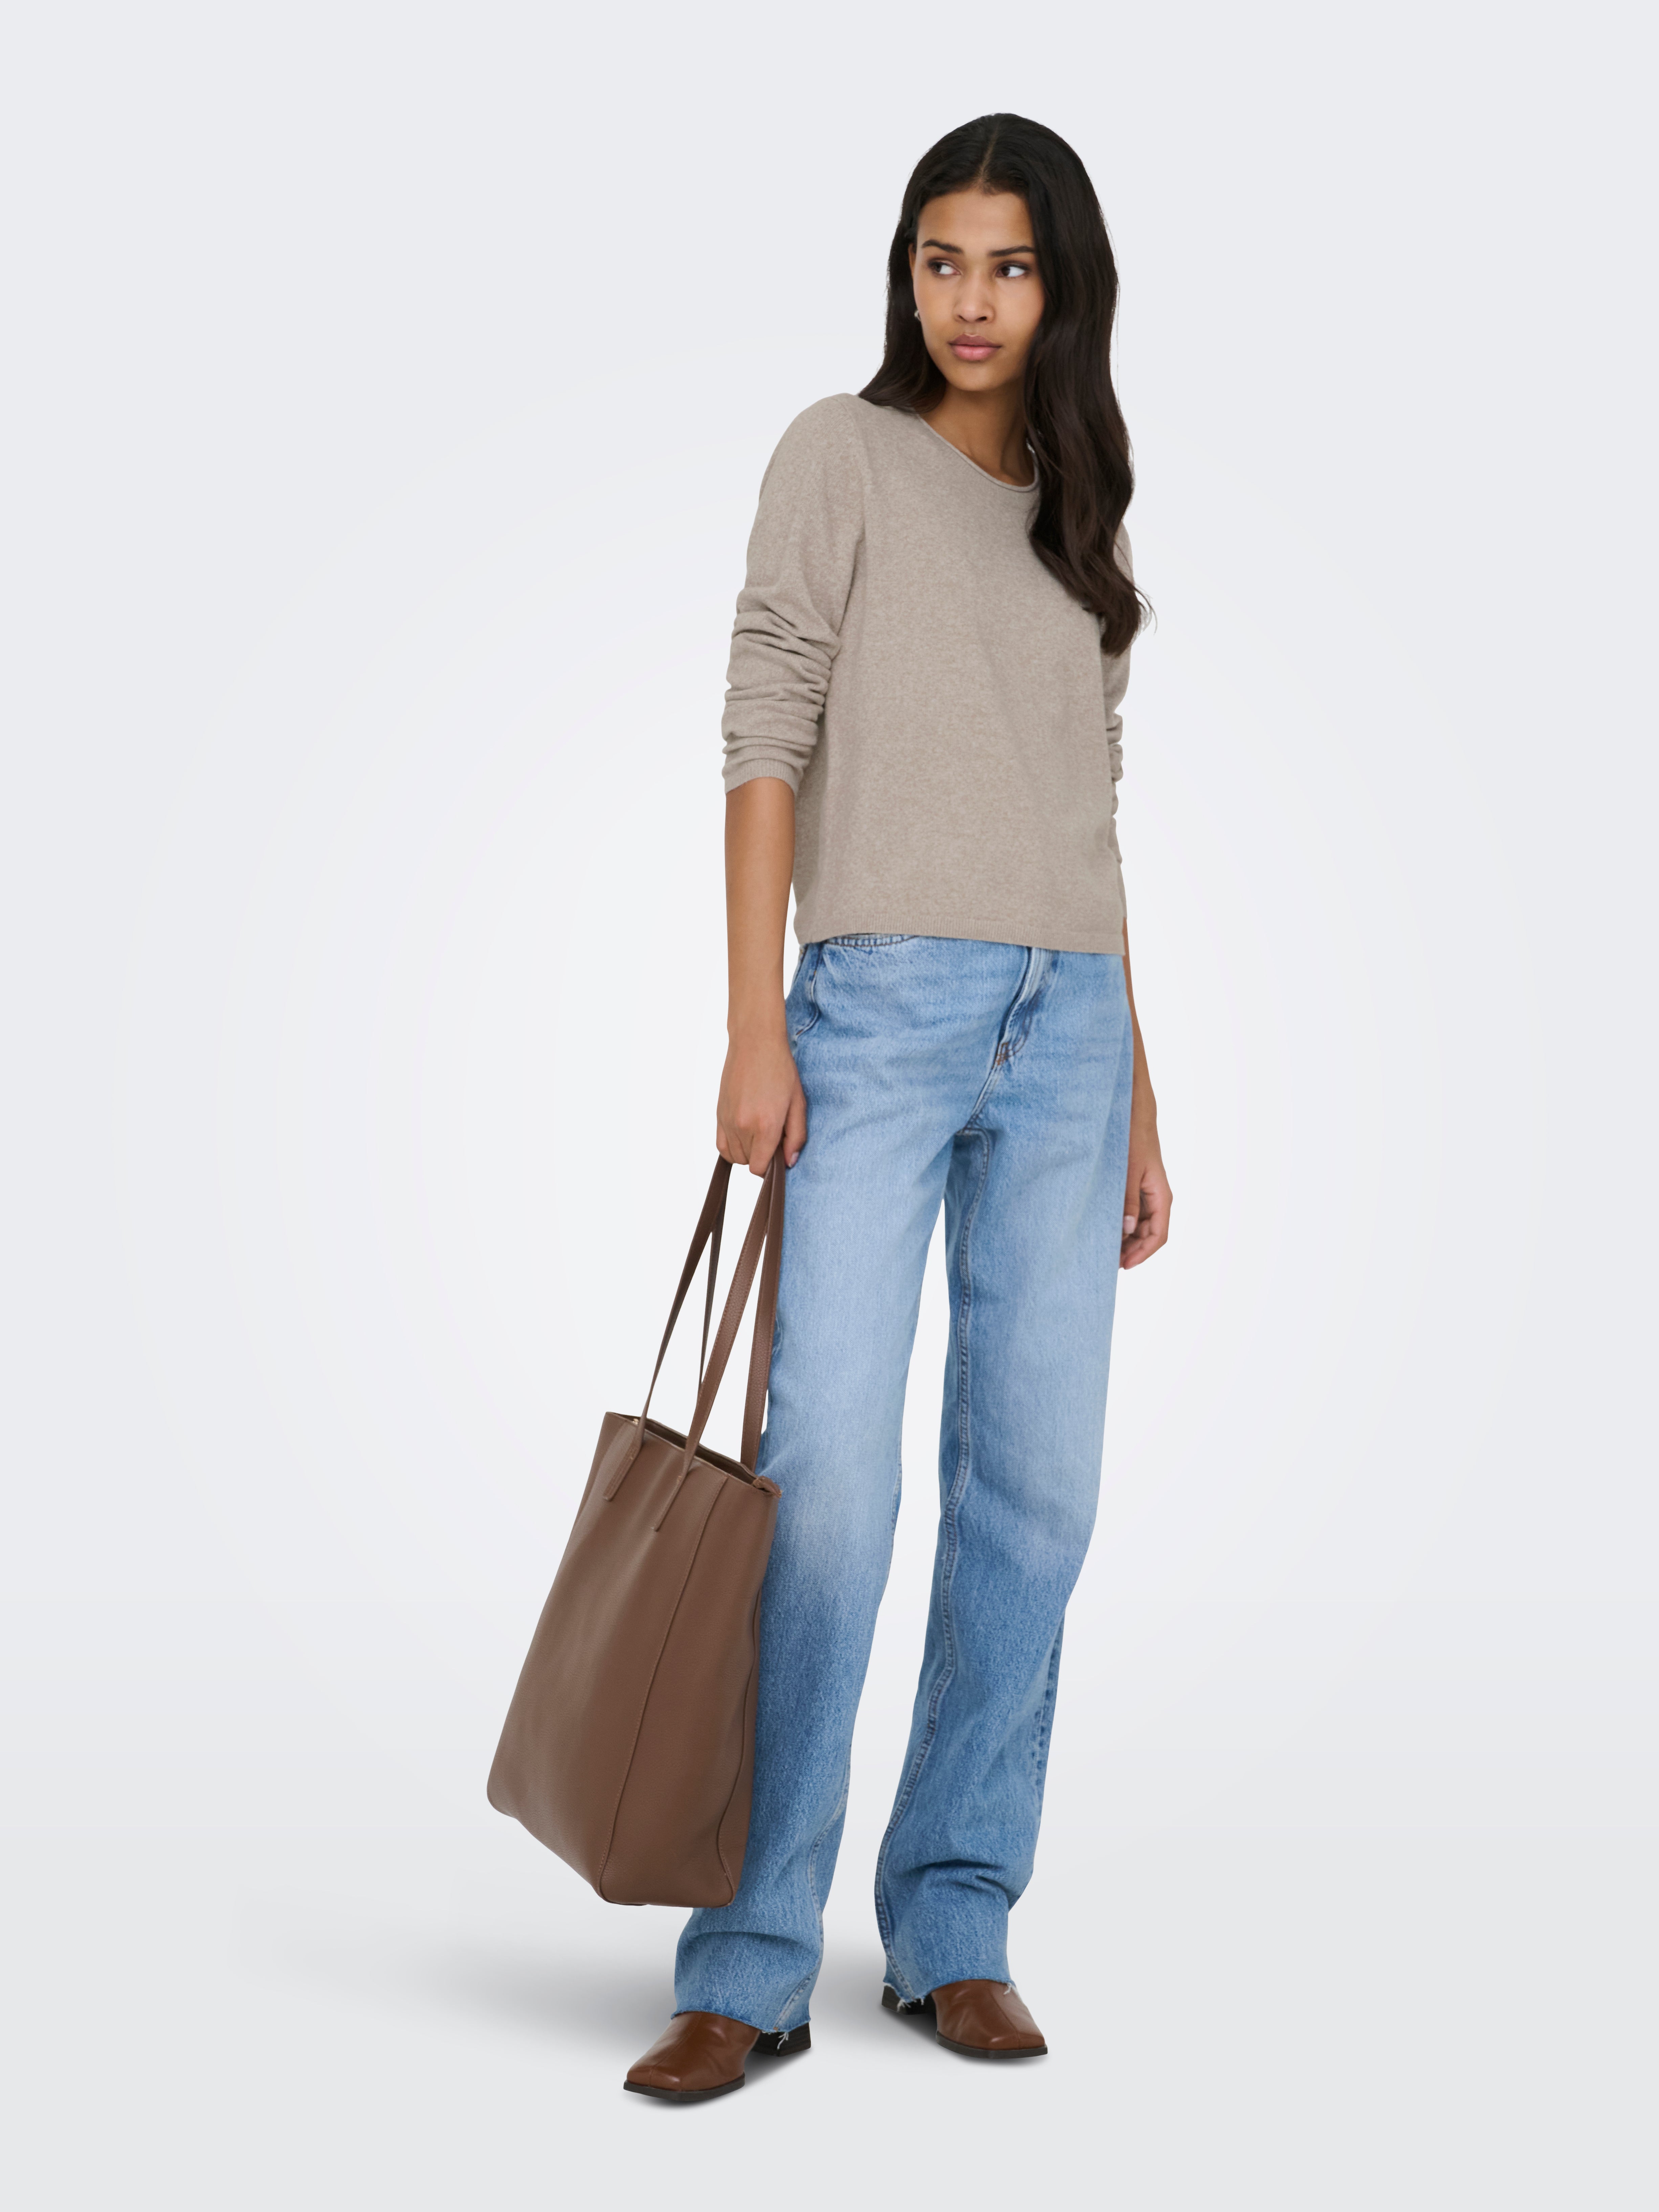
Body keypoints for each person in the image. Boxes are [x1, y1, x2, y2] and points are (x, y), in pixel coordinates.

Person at [624, 112, 1172, 2103]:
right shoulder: (837, 456)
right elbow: (764, 724)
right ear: (906, 273)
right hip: (870, 1016)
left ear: (1062, 286)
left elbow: (1091, 823)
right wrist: (750, 1023)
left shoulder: (1081, 515)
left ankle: (954, 1918)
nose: (972, 300)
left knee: (1037, 1492)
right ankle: (750, 1955)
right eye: (943, 259)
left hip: (1072, 1025)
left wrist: (1139, 1093)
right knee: (828, 1483)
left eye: (1010, 265)